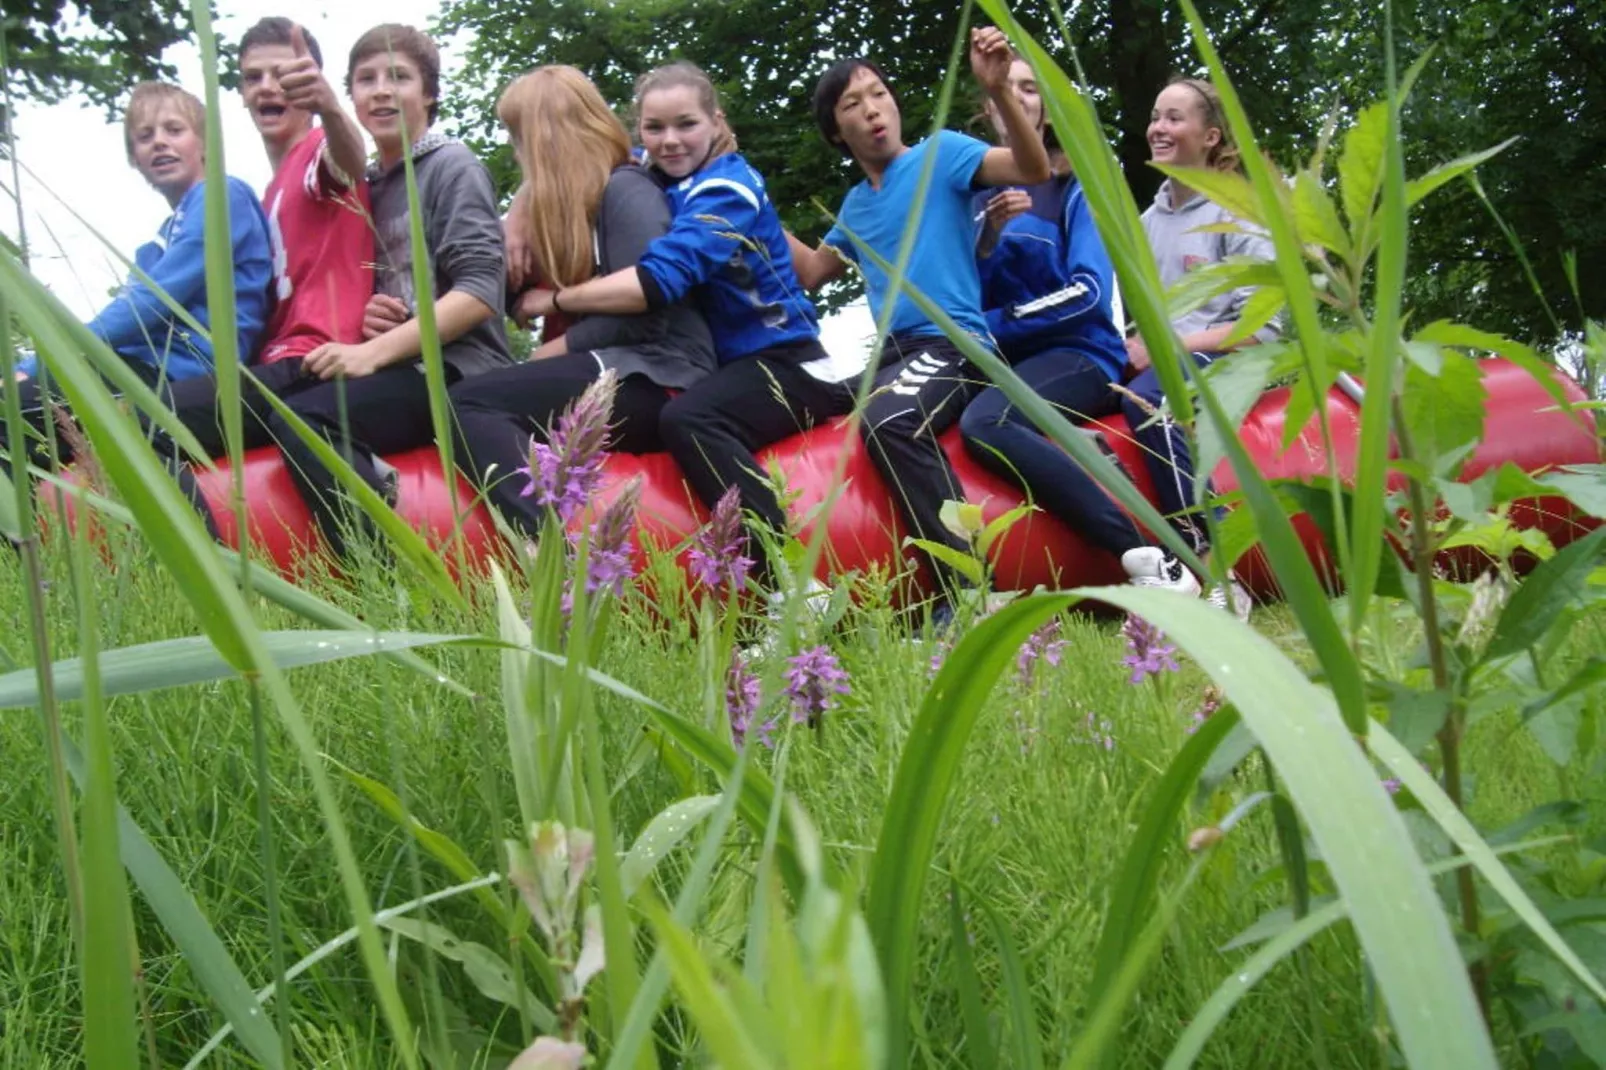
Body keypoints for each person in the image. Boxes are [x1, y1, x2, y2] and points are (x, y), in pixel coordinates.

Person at [521, 61, 855, 588]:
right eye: (655, 129)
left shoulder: (729, 188)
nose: (670, 141)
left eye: (686, 124)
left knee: (691, 420)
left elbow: (659, 282)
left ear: (716, 122)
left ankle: (793, 583)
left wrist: (555, 300)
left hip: (790, 365)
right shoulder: (665, 178)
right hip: (736, 368)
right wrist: (518, 216)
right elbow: (581, 164)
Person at [785, 29, 1049, 619]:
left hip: (955, 346)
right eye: (853, 105)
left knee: (892, 420)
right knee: (811, 397)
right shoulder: (853, 206)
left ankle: (975, 593)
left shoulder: (941, 154)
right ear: (836, 132)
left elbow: (1031, 168)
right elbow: (808, 273)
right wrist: (743, 195)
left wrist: (999, 89)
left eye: (878, 94)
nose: (872, 109)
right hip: (893, 355)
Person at [265, 24, 511, 558]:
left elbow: (479, 293)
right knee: (281, 402)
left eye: (398, 77)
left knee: (311, 417)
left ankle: (384, 571)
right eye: (365, 79)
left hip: (459, 372)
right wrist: (378, 320)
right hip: (400, 363)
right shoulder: (368, 185)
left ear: (429, 93)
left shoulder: (452, 165)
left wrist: (368, 351)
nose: (380, 90)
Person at [957, 55, 1197, 595]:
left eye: (1029, 88)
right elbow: (959, 294)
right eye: (1004, 90)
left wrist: (994, 328)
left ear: (1043, 107)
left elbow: (1089, 293)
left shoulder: (1075, 185)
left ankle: (1144, 555)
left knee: (987, 423)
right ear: (987, 106)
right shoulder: (970, 198)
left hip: (1081, 353)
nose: (1016, 98)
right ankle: (961, 591)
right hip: (1004, 360)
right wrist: (988, 240)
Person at [449, 65, 715, 540]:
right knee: (483, 393)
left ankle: (549, 551)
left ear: (548, 138)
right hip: (624, 368)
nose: (516, 152)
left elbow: (648, 314)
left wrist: (554, 350)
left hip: (664, 374)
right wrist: (514, 217)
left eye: (519, 137)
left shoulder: (626, 188)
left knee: (470, 401)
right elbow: (514, 301)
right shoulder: (567, 205)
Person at [7, 81, 271, 471]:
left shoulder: (221, 194)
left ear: (204, 144)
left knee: (12, 410)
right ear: (134, 157)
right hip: (141, 364)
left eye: (174, 130)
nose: (159, 142)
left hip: (181, 371)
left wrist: (42, 361)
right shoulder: (162, 236)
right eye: (145, 137)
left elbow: (152, 303)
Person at [156, 17, 374, 460]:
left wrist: (331, 108)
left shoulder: (317, 152)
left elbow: (351, 162)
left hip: (315, 360)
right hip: (267, 365)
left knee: (151, 415)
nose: (267, 87)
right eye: (253, 77)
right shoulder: (265, 195)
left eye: (283, 74)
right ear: (240, 94)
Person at [1126, 77, 1282, 616]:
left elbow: (1263, 327)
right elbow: (1151, 314)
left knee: (1153, 411)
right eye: (1155, 116)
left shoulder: (1238, 212)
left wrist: (1172, 348)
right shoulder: (1148, 222)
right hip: (1174, 356)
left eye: (1174, 118)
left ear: (1211, 135)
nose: (1158, 128)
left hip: (1232, 356)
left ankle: (1222, 570)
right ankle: (1151, 562)